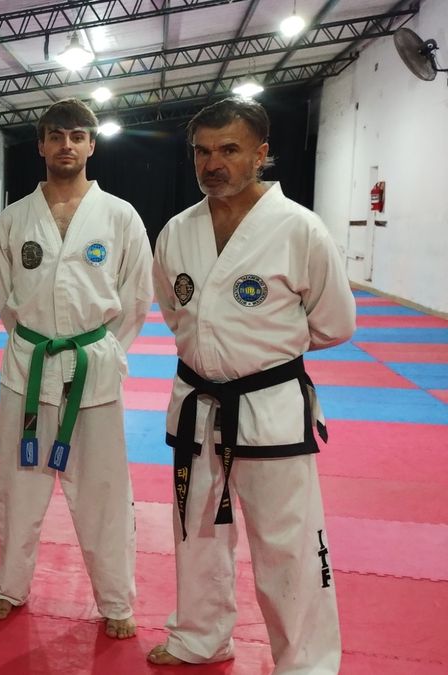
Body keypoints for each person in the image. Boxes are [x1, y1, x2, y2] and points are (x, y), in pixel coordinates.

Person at [147, 97, 354, 672]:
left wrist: (263, 355)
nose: (213, 164)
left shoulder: (298, 228)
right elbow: (176, 311)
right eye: (202, 152)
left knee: (288, 543)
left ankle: (306, 663)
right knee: (195, 532)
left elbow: (335, 323)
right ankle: (200, 637)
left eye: (229, 150)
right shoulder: (178, 230)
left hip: (269, 406)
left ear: (261, 154)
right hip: (197, 403)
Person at [0, 99, 152, 639]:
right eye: (56, 136)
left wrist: (106, 350)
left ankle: (116, 601)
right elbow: (4, 299)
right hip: (27, 366)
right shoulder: (15, 218)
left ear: (91, 145)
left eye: (77, 136)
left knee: (103, 492)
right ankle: (10, 586)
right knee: (18, 486)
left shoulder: (120, 216)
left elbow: (136, 297)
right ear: (40, 144)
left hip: (92, 369)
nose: (66, 145)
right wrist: (34, 342)